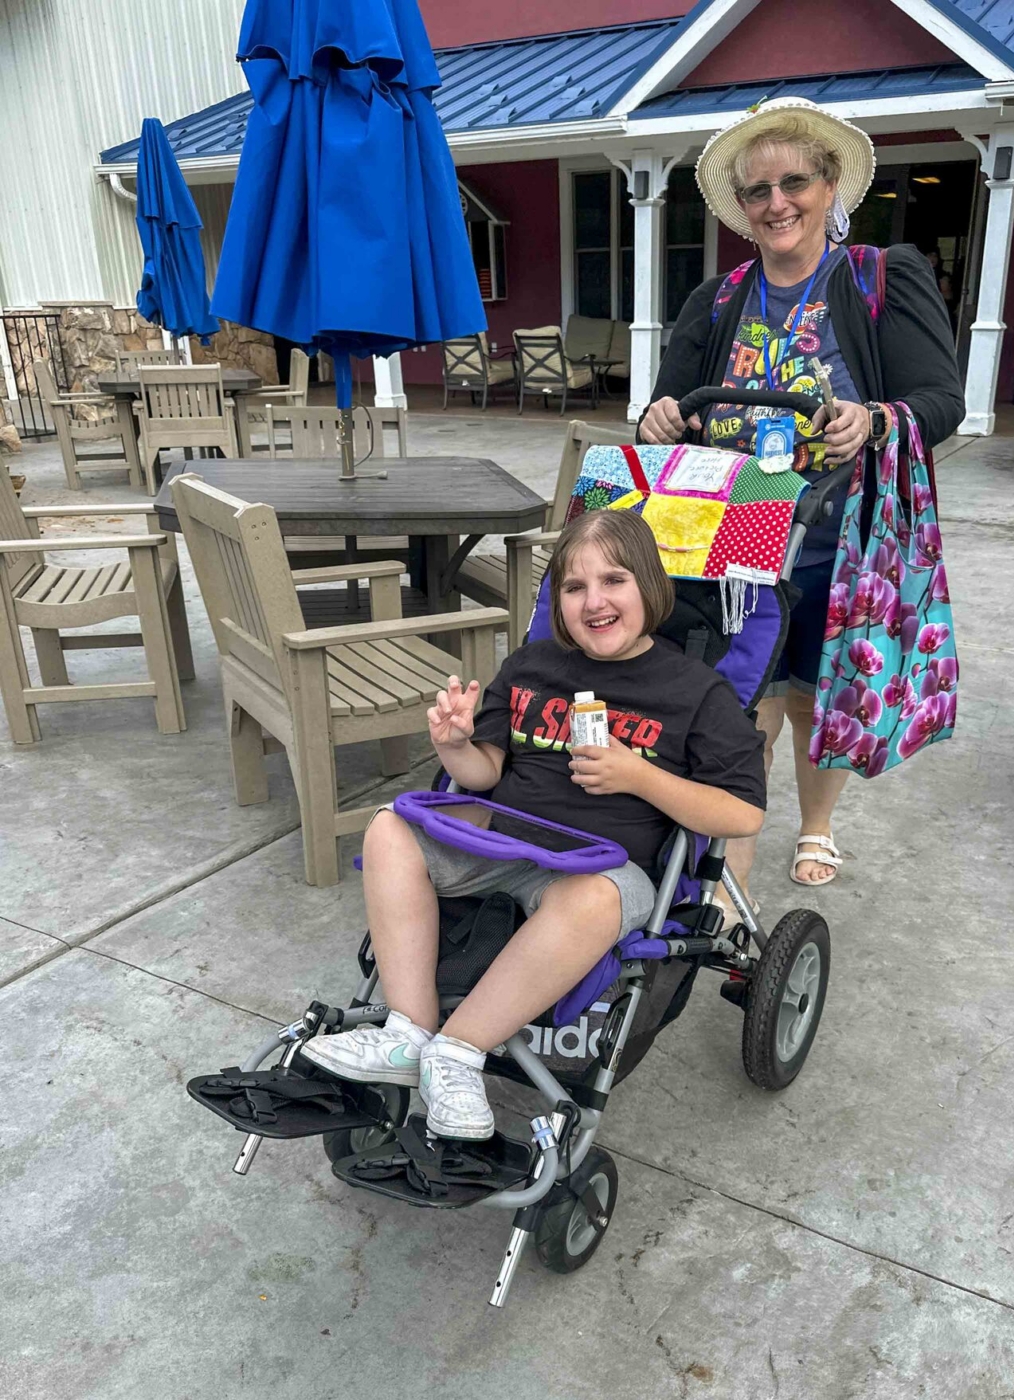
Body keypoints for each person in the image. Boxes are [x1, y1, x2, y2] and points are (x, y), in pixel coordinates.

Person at [302, 510, 766, 1140]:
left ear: (651, 587)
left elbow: (742, 812)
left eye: (614, 580)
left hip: (602, 868)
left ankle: (458, 1051)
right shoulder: (531, 667)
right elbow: (485, 770)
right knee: (390, 825)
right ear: (557, 601)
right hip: (504, 840)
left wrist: (640, 777)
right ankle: (408, 1033)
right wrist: (454, 745)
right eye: (574, 587)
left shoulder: (696, 693)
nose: (594, 601)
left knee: (593, 899)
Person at [639, 96, 963, 897]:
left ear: (828, 187)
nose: (777, 203)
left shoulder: (882, 277)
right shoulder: (716, 299)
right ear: (742, 206)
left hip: (838, 536)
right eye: (758, 190)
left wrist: (876, 418)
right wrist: (657, 418)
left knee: (817, 696)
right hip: (731, 535)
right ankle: (733, 848)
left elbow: (939, 400)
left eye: (794, 183)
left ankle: (816, 823)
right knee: (739, 692)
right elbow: (666, 407)